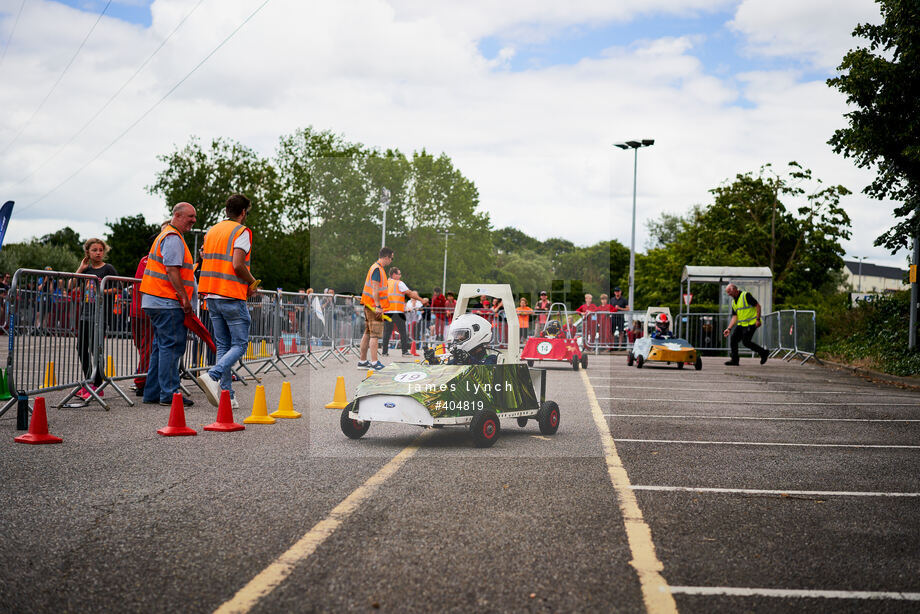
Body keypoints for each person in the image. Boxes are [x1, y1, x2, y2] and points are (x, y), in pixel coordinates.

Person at [196, 194, 258, 408]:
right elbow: (238, 265)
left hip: (211, 294)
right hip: (231, 293)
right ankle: (213, 375)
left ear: (226, 210)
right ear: (243, 213)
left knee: (222, 344)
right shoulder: (241, 231)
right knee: (240, 345)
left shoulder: (212, 231)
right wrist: (253, 283)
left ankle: (227, 395)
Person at [140, 203, 197, 407]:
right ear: (177, 215)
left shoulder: (168, 236)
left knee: (161, 347)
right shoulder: (173, 238)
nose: (194, 220)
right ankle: (170, 394)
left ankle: (153, 392)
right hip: (167, 301)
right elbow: (172, 270)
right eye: (190, 216)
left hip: (156, 299)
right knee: (172, 346)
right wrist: (184, 298)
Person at [74, 238, 118, 400]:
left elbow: (117, 287)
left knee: (96, 349)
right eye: (94, 250)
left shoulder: (108, 268)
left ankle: (97, 385)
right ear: (88, 252)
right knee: (81, 347)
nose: (98, 252)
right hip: (86, 313)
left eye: (100, 249)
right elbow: (71, 284)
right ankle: (89, 380)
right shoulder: (86, 269)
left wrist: (101, 290)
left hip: (101, 314)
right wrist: (80, 268)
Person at [357, 247, 394, 371]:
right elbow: (375, 289)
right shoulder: (377, 269)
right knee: (375, 335)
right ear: (386, 257)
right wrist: (378, 306)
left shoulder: (376, 268)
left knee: (367, 333)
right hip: (374, 307)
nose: (391, 261)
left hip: (369, 305)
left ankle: (362, 361)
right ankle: (374, 362)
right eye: (391, 258)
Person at [381, 267, 427, 357]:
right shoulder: (399, 283)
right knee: (403, 332)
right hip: (397, 311)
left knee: (387, 332)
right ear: (394, 275)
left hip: (387, 311)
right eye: (399, 274)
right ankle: (404, 351)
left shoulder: (385, 283)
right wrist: (421, 300)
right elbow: (410, 293)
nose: (400, 275)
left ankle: (384, 352)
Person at [722, 283, 770, 366]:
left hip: (751, 323)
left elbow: (758, 306)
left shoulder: (745, 295)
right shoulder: (734, 302)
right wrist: (729, 328)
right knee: (733, 339)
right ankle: (734, 360)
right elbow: (735, 316)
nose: (728, 294)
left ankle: (764, 353)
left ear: (735, 290)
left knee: (746, 342)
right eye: (727, 292)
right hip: (741, 324)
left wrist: (758, 320)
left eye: (729, 292)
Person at [425, 313, 497, 365]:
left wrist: (468, 359)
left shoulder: (492, 358)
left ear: (477, 333)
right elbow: (443, 374)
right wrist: (434, 362)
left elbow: (485, 373)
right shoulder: (457, 360)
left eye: (461, 334)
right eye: (456, 335)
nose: (458, 338)